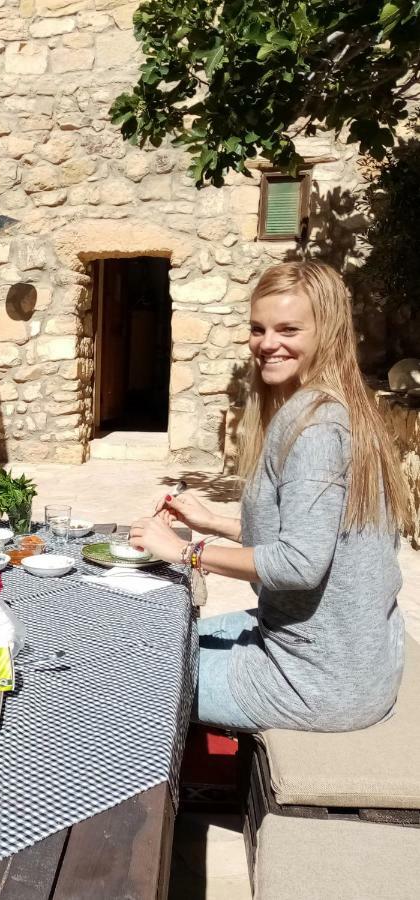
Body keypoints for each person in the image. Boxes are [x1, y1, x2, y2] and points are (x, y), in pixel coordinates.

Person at [130, 262, 410, 732]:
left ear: (330, 334)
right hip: (357, 663)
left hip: (315, 683)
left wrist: (183, 551)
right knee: (162, 637)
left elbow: (300, 564)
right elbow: (320, 535)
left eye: (289, 329)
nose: (267, 344)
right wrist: (216, 523)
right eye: (258, 329)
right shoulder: (340, 408)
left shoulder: (314, 428)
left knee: (129, 676)